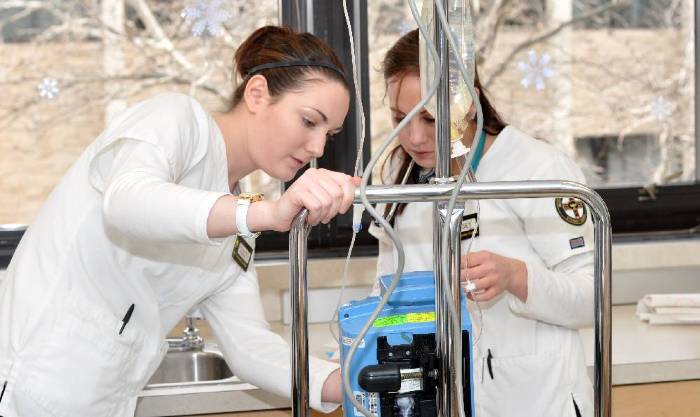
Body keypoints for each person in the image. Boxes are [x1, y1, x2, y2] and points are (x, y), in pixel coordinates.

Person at [0, 25, 355, 417]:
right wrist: (267, 213)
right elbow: (126, 201)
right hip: (33, 379)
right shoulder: (177, 120)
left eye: (331, 134)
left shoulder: (238, 227)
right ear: (256, 94)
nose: (318, 147)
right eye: (309, 121)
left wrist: (348, 382)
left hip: (109, 398)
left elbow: (249, 346)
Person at [369, 29, 595, 417]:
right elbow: (386, 289)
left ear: (468, 102)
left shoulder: (536, 168)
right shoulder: (396, 172)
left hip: (536, 400)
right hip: (436, 396)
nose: (414, 137)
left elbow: (594, 299)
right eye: (400, 119)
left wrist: (516, 277)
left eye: (429, 118)